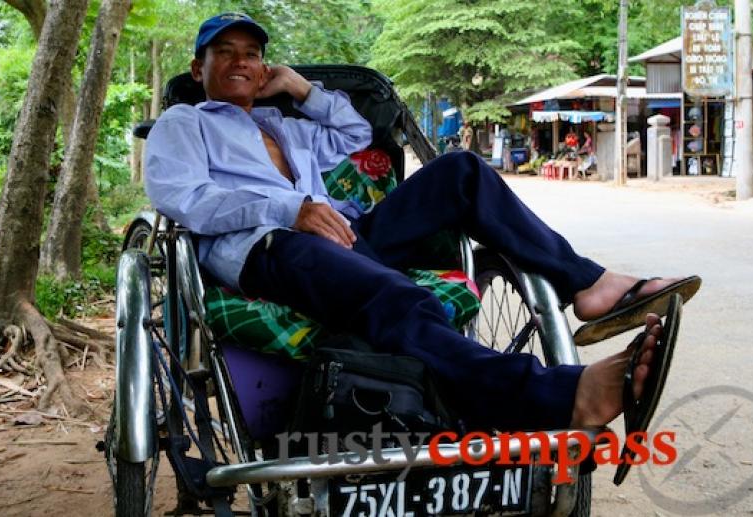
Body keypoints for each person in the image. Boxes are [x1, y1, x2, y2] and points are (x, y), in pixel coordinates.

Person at [144, 13, 701, 433]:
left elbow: (354, 135)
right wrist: (290, 210)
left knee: (460, 170)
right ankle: (561, 397)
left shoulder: (283, 124)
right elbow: (185, 199)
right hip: (269, 247)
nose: (242, 61)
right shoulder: (183, 123)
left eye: (252, 53)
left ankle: (588, 283)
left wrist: (298, 88)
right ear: (200, 68)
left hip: (347, 235)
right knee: (403, 299)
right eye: (225, 52)